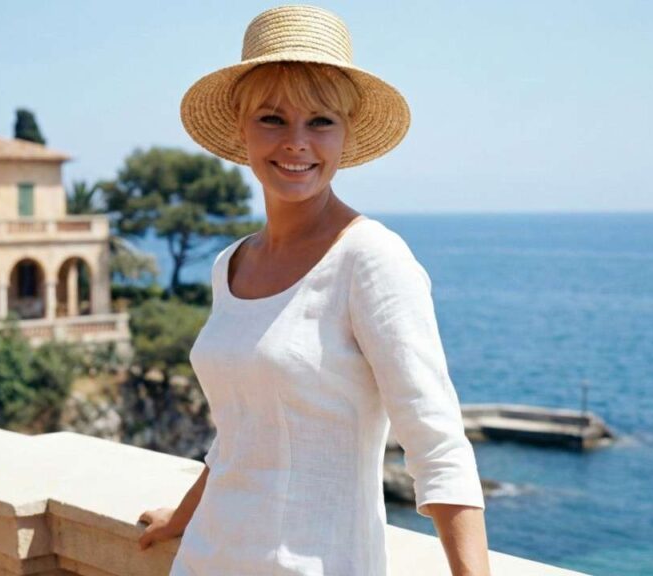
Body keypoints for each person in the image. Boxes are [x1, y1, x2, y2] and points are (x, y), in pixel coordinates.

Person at [138, 5, 491, 575]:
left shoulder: (371, 259)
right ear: (241, 128)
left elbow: (438, 445)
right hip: (206, 561)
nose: (297, 142)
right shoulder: (232, 263)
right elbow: (240, 432)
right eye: (272, 119)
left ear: (346, 134)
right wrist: (179, 520)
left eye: (321, 121)